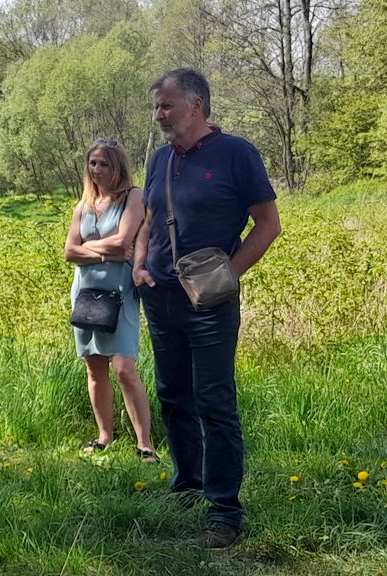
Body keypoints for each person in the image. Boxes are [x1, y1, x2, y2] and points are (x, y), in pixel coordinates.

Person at [133, 69, 281, 549]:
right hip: (160, 297)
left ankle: (224, 512)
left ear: (196, 105)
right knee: (174, 395)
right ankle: (188, 485)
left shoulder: (236, 154)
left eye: (166, 105)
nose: (159, 115)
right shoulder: (160, 159)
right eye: (157, 106)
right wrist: (139, 265)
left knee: (214, 401)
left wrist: (228, 275)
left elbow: (268, 224)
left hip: (210, 301)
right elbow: (149, 218)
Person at [63, 139, 157, 463]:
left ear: (117, 166)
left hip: (120, 291)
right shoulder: (83, 205)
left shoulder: (134, 197)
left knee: (124, 368)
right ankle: (104, 436)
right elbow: (69, 252)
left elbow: (124, 241)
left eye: (104, 163)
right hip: (86, 292)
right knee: (94, 366)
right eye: (93, 163)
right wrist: (105, 253)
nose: (97, 169)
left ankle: (145, 444)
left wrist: (87, 249)